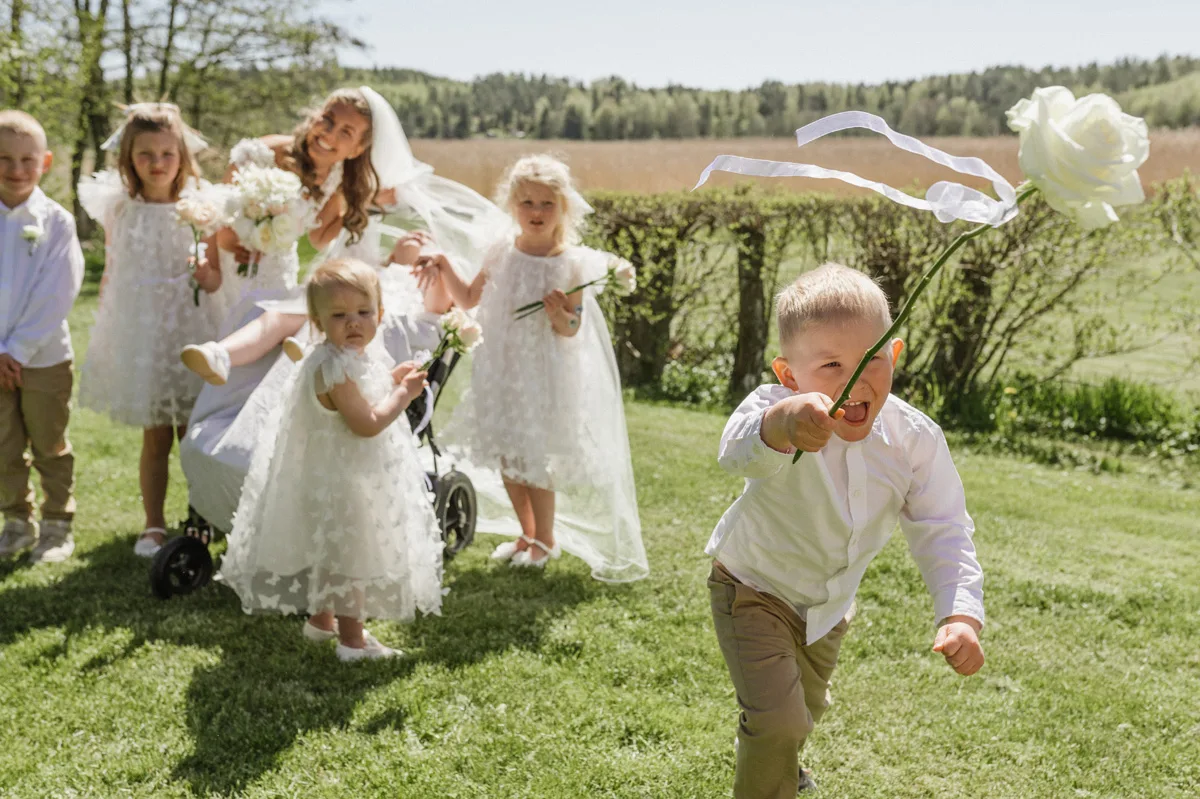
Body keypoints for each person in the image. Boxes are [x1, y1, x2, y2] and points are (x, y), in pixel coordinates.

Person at [706, 263, 985, 797]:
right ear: (789, 375)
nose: (854, 379)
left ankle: (781, 758)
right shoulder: (775, 409)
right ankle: (771, 771)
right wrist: (783, 424)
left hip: (828, 611)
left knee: (802, 713)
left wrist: (960, 612)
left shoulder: (914, 440)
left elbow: (942, 526)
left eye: (870, 359)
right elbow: (737, 451)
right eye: (831, 364)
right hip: (752, 588)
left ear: (895, 354)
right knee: (779, 720)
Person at [415, 154, 647, 582]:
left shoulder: (571, 263)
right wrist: (443, 262)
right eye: (527, 203)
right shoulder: (502, 249)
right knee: (508, 454)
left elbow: (572, 328)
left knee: (536, 460)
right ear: (511, 205)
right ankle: (527, 534)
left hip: (543, 373)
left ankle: (545, 539)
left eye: (546, 204)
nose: (536, 213)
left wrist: (561, 315)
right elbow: (468, 299)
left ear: (564, 208)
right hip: (501, 367)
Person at [217, 258, 442, 661]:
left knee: (328, 550)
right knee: (348, 558)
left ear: (381, 314)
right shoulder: (336, 368)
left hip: (329, 474)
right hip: (344, 480)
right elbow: (367, 423)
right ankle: (352, 643)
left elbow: (364, 395)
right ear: (319, 323)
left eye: (363, 312)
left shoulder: (347, 359)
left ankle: (321, 622)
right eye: (339, 316)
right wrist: (404, 395)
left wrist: (391, 381)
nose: (353, 323)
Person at [76, 103, 218, 556]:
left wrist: (203, 273)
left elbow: (214, 278)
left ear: (182, 156)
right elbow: (115, 271)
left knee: (194, 433)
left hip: (195, 328)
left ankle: (200, 518)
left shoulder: (201, 207)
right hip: (146, 335)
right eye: (145, 155)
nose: (157, 163)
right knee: (156, 433)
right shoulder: (121, 208)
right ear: (128, 159)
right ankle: (153, 523)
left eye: (166, 153)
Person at [0, 110, 85, 563]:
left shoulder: (57, 222)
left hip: (44, 356)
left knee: (48, 441)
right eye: (4, 159)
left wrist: (16, 349)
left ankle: (57, 525)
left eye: (26, 160)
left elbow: (58, 292)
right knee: (3, 443)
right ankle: (16, 521)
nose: (16, 170)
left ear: (46, 162)